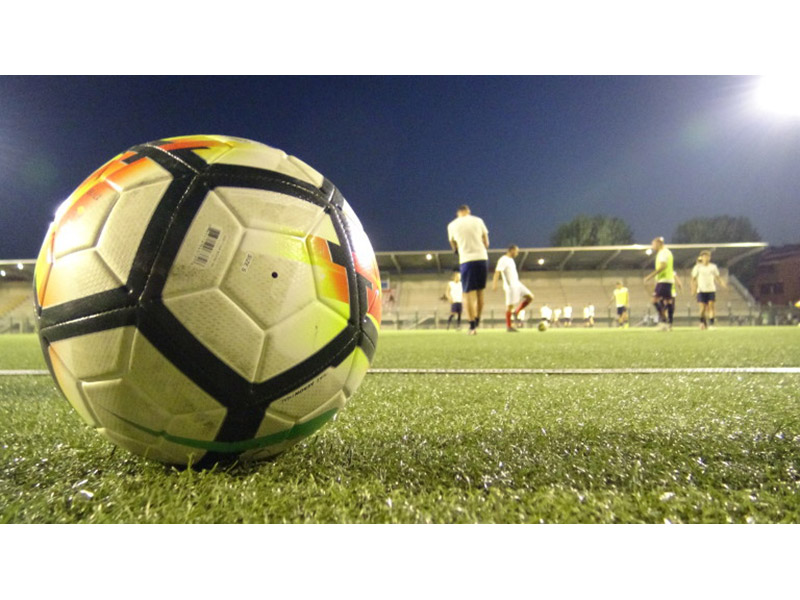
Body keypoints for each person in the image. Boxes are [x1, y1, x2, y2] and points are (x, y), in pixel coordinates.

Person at [447, 205, 489, 335]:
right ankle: (477, 319)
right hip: (482, 258)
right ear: (468, 211)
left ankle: (472, 326)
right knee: (480, 292)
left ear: (458, 213)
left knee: (467, 294)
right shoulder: (478, 220)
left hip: (466, 261)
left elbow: (453, 245)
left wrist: (458, 250)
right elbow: (486, 243)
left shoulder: (452, 225)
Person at [492, 244, 534, 332]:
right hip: (510, 286)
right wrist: (494, 284)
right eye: (516, 251)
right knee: (510, 307)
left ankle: (516, 312)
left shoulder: (511, 260)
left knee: (530, 297)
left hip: (517, 284)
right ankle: (509, 326)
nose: (517, 253)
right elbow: (497, 272)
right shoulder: (503, 259)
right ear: (511, 250)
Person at [644, 236, 675, 331]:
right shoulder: (667, 252)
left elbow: (663, 266)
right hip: (668, 280)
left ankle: (663, 322)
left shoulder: (663, 253)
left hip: (663, 280)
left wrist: (650, 276)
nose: (652, 247)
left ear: (658, 244)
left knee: (654, 300)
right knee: (668, 302)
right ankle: (669, 323)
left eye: (653, 244)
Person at [691, 251, 727, 329]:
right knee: (702, 309)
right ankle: (702, 322)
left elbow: (717, 277)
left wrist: (722, 283)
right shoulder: (697, 267)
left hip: (711, 290)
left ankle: (711, 324)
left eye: (707, 256)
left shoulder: (713, 267)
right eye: (704, 256)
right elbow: (693, 279)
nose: (706, 258)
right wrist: (693, 289)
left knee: (711, 307)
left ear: (709, 258)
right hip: (701, 290)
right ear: (701, 258)